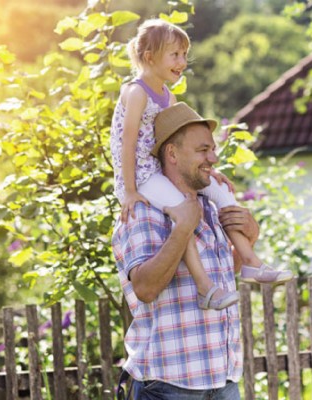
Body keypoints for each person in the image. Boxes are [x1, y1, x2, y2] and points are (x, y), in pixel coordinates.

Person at [110, 20, 292, 310]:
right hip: (140, 176)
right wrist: (130, 191)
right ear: (149, 57)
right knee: (184, 211)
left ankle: (251, 261)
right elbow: (127, 143)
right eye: (175, 55)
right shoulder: (136, 92)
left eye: (184, 55)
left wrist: (208, 169)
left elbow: (178, 142)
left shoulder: (168, 96)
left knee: (221, 192)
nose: (182, 62)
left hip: (158, 169)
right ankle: (205, 287)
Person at [112, 102, 258, 399]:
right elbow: (146, 288)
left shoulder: (210, 206)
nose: (213, 158)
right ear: (173, 154)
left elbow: (225, 274)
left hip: (223, 379)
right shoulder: (143, 211)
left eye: (213, 150)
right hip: (169, 386)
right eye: (203, 150)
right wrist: (182, 230)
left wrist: (248, 243)